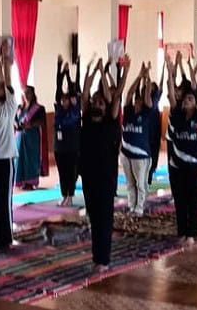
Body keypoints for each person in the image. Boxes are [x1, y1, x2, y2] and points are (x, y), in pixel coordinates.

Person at [80, 56, 125, 270]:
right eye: (95, 102)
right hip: (89, 178)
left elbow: (115, 96)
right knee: (94, 218)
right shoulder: (87, 118)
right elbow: (85, 94)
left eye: (100, 102)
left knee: (104, 219)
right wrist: (92, 71)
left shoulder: (111, 120)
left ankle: (103, 260)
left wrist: (123, 71)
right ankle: (96, 256)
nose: (96, 103)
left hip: (106, 179)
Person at [166, 52, 197, 243]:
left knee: (192, 200)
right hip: (176, 166)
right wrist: (170, 70)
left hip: (193, 166)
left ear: (195, 102)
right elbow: (171, 92)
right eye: (185, 100)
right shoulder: (176, 115)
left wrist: (196, 71)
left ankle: (192, 232)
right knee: (180, 200)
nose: (185, 102)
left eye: (190, 99)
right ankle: (182, 231)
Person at [0, 40, 18, 251]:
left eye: (1, 88)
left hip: (6, 158)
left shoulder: (9, 106)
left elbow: (5, 80)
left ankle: (6, 237)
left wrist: (4, 60)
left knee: (4, 199)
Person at [120, 62, 156, 214]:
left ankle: (140, 207)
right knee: (129, 182)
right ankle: (131, 205)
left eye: (139, 102)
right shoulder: (128, 111)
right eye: (136, 101)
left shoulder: (146, 113)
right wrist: (138, 76)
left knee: (140, 183)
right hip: (126, 152)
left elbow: (148, 98)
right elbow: (128, 94)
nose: (136, 104)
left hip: (141, 154)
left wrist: (147, 79)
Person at [54, 55, 81, 207]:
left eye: (66, 100)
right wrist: (59, 70)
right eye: (62, 100)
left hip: (71, 147)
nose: (64, 102)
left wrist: (73, 69)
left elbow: (74, 90)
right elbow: (58, 88)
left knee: (71, 172)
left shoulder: (74, 111)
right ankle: (64, 195)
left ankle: (70, 194)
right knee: (62, 172)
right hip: (59, 147)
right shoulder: (59, 109)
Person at [14, 85, 48, 189]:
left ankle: (30, 182)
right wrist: (16, 124)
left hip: (32, 137)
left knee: (31, 159)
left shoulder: (39, 108)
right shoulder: (20, 108)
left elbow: (41, 121)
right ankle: (20, 181)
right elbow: (15, 119)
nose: (27, 95)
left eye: (29, 93)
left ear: (33, 94)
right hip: (20, 137)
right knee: (19, 159)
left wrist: (30, 124)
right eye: (25, 93)